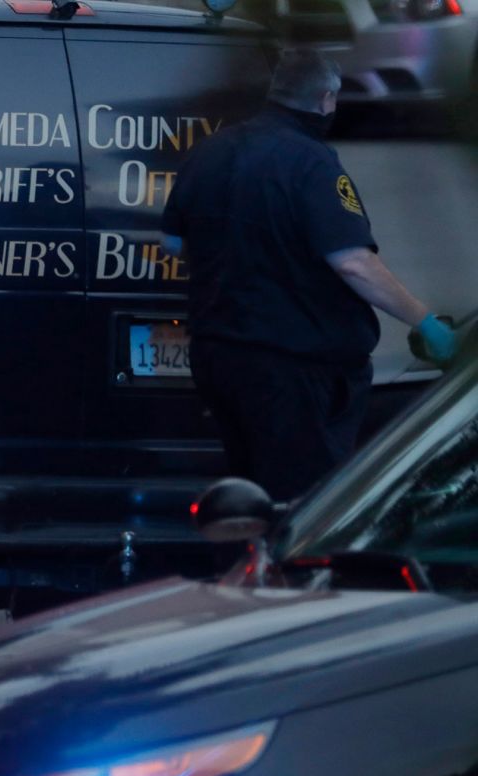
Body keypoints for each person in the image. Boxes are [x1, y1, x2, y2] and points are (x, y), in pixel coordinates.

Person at [162, 48, 458, 502]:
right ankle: (288, 573)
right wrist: (425, 321)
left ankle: (246, 567)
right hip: (292, 369)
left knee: (249, 494)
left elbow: (174, 244)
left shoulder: (211, 152)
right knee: (303, 502)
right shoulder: (312, 164)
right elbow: (353, 262)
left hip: (218, 356)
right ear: (326, 99)